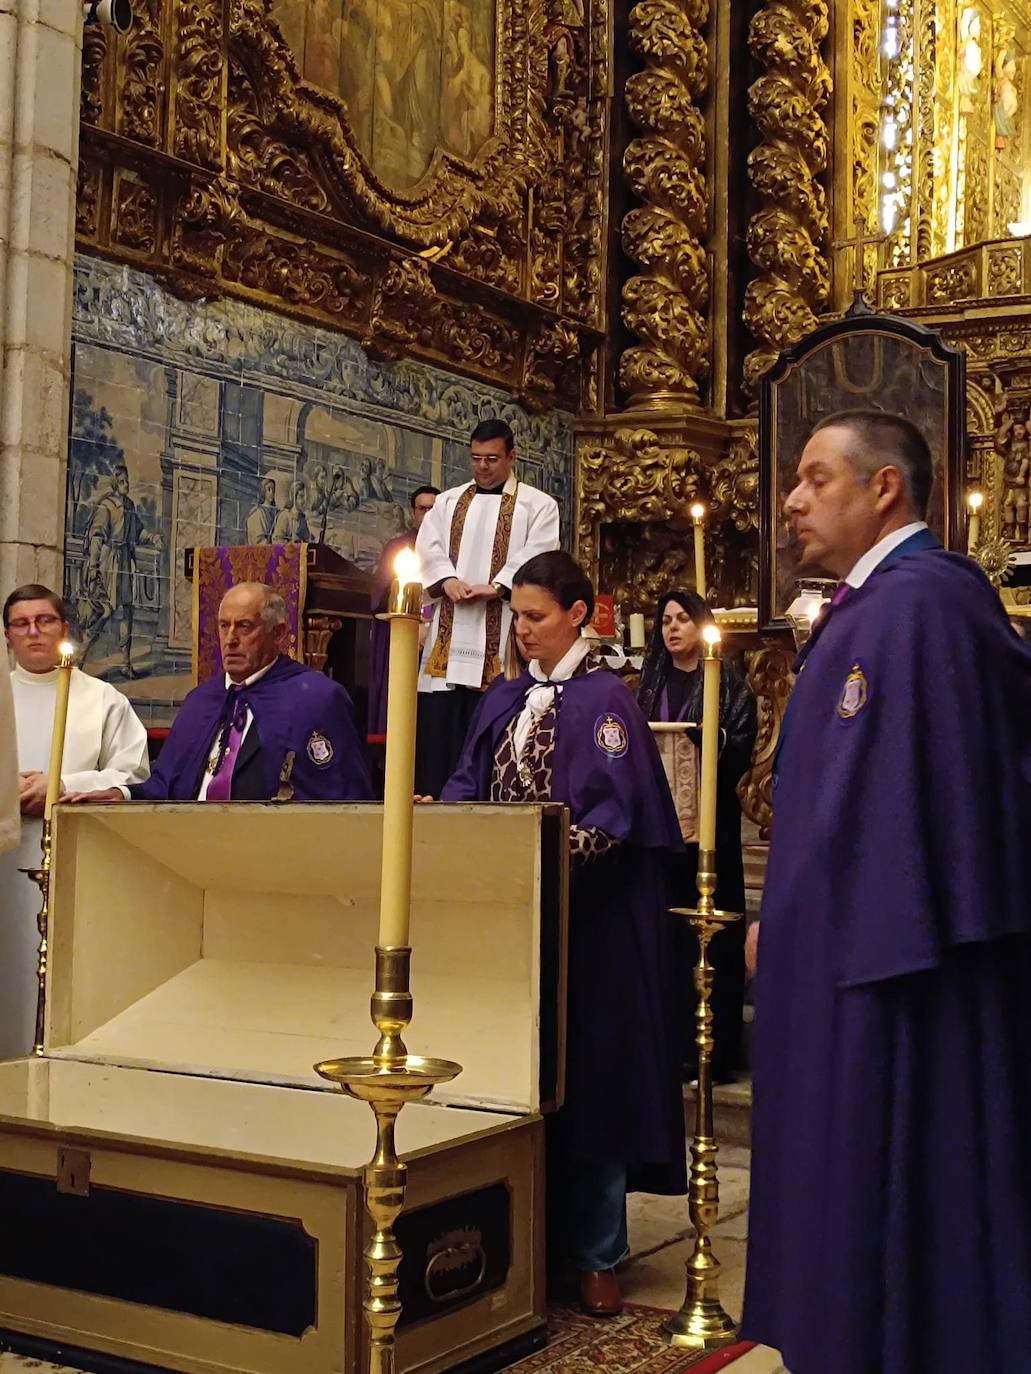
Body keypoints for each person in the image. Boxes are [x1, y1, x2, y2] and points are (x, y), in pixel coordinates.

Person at [741, 410, 1031, 1374]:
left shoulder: (918, 607)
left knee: (891, 1179)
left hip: (890, 958)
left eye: (814, 478)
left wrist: (795, 923)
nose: (790, 500)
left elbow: (907, 809)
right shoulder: (877, 609)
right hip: (849, 942)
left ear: (883, 490)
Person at [437, 551, 686, 1318]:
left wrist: (537, 860)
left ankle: (596, 1253)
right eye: (515, 617)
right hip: (509, 925)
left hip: (592, 928)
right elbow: (465, 782)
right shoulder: (503, 697)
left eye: (535, 617)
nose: (522, 632)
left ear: (577, 615)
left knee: (593, 1084)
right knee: (513, 1078)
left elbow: (615, 818)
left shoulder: (605, 700)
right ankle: (520, 1240)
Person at [1, 583, 149, 1057]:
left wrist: (60, 784)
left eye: (45, 621)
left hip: (73, 862)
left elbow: (133, 776)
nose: (34, 632)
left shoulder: (102, 700)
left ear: (65, 628)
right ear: (7, 638)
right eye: (21, 624)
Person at [67, 583, 371, 804]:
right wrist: (122, 793)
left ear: (277, 633)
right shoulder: (201, 701)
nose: (230, 639)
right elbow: (166, 784)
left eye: (245, 626)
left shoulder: (317, 698)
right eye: (224, 626)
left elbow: (341, 796)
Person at [636, 589, 757, 1081]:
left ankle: (716, 1050)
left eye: (683, 618)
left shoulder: (727, 684)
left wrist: (710, 740)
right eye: (665, 620)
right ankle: (669, 1043)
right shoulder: (649, 684)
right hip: (663, 830)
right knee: (667, 937)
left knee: (714, 937)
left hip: (711, 830)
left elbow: (741, 745)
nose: (672, 628)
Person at [414, 418, 560, 795]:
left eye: (492, 459)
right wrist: (446, 580)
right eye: (476, 458)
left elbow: (540, 552)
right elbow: (427, 547)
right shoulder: (446, 502)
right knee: (441, 737)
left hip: (503, 637)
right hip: (447, 643)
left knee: (491, 727)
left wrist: (499, 586)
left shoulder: (538, 506)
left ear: (512, 457)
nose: (482, 466)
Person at [77, 464, 162, 678]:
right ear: (115, 483)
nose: (126, 485)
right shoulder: (106, 506)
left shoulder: (130, 506)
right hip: (109, 560)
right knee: (105, 610)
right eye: (122, 481)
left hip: (124, 560)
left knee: (127, 612)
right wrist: (94, 565)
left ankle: (125, 663)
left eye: (127, 481)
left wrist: (152, 538)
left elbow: (138, 531)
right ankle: (79, 657)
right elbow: (96, 536)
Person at [369, 485, 439, 737]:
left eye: (434, 509)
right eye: (423, 508)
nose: (428, 514)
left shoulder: (451, 550)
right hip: (405, 635)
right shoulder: (399, 547)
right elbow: (380, 595)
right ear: (413, 512)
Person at [245, 477, 279, 544]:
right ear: (263, 491)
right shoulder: (257, 512)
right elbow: (258, 538)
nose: (272, 492)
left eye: (273, 490)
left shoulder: (277, 511)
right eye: (269, 489)